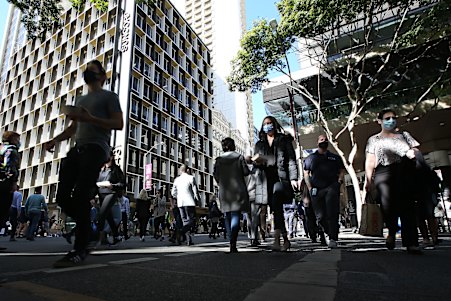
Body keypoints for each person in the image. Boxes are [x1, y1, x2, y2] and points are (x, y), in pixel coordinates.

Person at [44, 60, 123, 267]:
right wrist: (55, 139)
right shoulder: (80, 99)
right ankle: (90, 231)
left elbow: (118, 123)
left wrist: (91, 119)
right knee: (62, 196)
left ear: (102, 77)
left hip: (97, 149)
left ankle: (79, 249)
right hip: (77, 148)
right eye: (86, 70)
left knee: (81, 195)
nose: (88, 72)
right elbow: (73, 128)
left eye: (93, 70)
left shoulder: (109, 97)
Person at [365, 108, 422, 254]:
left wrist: (413, 154)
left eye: (393, 117)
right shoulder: (374, 140)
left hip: (404, 171)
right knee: (388, 206)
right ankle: (391, 230)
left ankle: (411, 243)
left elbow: (417, 150)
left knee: (407, 206)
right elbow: (371, 160)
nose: (391, 120)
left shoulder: (404, 135)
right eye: (387, 118)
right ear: (379, 121)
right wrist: (368, 181)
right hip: (383, 172)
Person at [254, 116, 299, 252]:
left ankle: (276, 239)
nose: (268, 126)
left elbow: (291, 159)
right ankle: (285, 239)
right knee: (276, 210)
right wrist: (255, 160)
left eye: (270, 123)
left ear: (274, 124)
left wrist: (294, 178)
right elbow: (257, 163)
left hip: (280, 179)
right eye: (265, 124)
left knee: (277, 202)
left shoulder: (283, 140)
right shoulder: (259, 144)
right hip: (266, 180)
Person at [303, 134, 345, 248]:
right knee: (320, 216)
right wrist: (310, 187)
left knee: (332, 213)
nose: (324, 141)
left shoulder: (335, 157)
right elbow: (306, 173)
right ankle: (327, 232)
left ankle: (333, 238)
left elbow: (341, 170)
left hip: (331, 188)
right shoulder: (311, 158)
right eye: (321, 140)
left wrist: (339, 182)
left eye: (325, 140)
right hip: (316, 190)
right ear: (317, 142)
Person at [213, 138, 250, 253]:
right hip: (238, 189)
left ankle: (231, 242)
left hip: (225, 191)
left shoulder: (219, 160)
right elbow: (246, 172)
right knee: (235, 215)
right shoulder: (239, 157)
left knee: (227, 216)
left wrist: (221, 182)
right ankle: (233, 241)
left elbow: (215, 175)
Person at [97, 151, 126, 245]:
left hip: (111, 193)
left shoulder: (116, 170)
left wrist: (112, 186)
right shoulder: (101, 169)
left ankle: (98, 237)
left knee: (102, 214)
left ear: (111, 157)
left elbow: (123, 184)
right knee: (109, 217)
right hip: (101, 193)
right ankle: (116, 235)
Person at [0, 131, 21, 250]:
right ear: (13, 139)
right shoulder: (12, 150)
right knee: (2, 211)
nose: (19, 142)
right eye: (17, 139)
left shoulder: (1, 148)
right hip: (4, 183)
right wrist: (13, 181)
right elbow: (11, 167)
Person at [171, 164, 200, 246]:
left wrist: (178, 197)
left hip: (180, 203)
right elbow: (196, 191)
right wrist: (198, 200)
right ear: (187, 170)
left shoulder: (177, 179)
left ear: (181, 170)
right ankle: (181, 232)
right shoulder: (191, 178)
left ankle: (188, 240)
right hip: (189, 202)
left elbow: (173, 193)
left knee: (185, 222)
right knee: (192, 220)